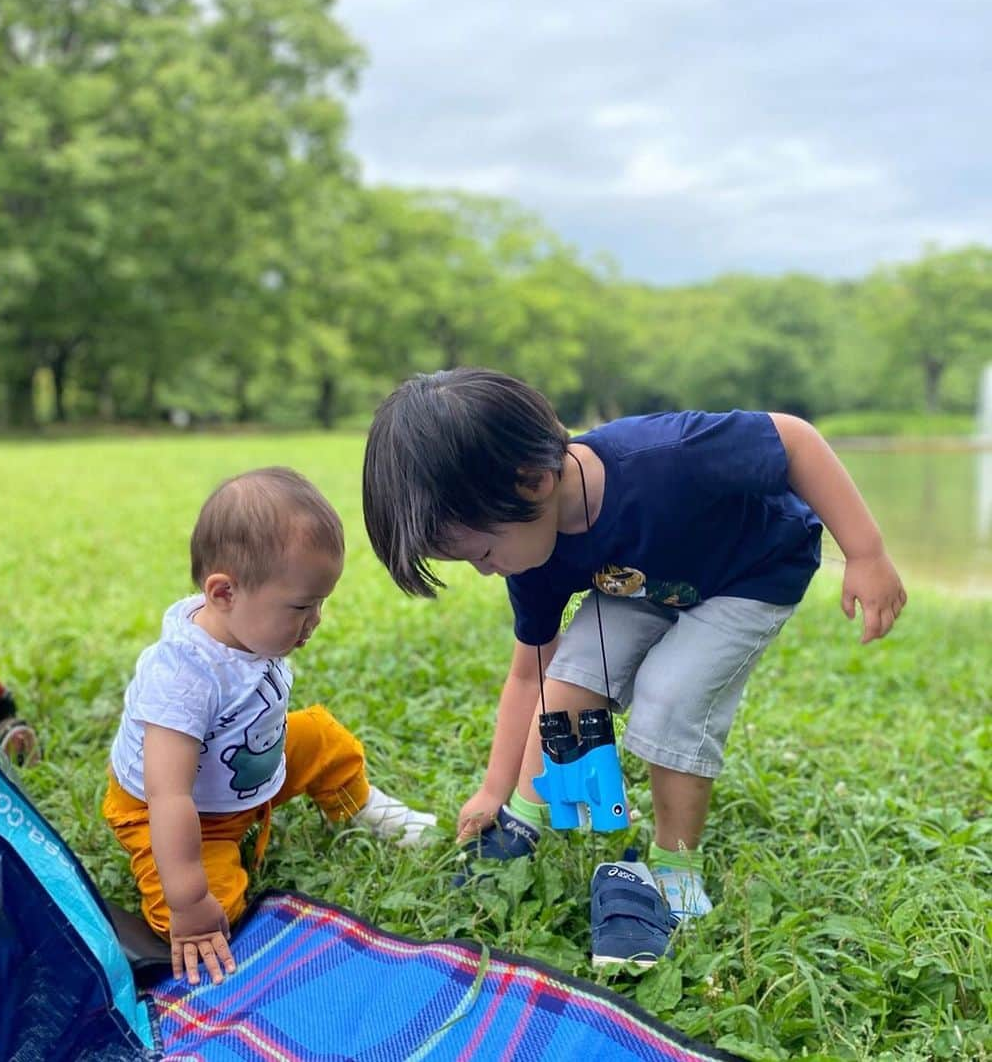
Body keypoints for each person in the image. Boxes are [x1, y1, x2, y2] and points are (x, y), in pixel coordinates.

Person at [362, 367, 906, 966]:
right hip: (646, 585)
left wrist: (866, 552)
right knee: (572, 673)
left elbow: (795, 440)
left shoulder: (666, 458)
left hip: (752, 572)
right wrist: (496, 789)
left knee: (670, 696)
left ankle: (677, 874)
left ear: (534, 481)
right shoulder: (534, 557)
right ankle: (526, 818)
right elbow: (530, 674)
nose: (487, 571)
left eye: (483, 553)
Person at [103, 467, 436, 985]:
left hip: (252, 763)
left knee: (323, 738)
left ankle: (359, 805)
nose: (316, 620)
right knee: (211, 909)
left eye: (320, 602)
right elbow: (169, 796)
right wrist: (190, 903)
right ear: (223, 593)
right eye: (302, 606)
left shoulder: (249, 627)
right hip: (178, 811)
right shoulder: (182, 677)